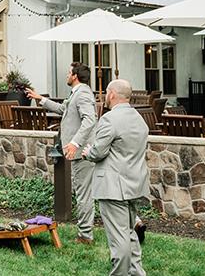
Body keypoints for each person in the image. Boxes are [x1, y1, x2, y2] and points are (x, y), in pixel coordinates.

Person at [83, 79, 150, 276]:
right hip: (134, 185)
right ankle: (137, 273)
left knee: (118, 239)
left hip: (113, 187)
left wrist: (88, 152)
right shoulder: (139, 118)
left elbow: (98, 152)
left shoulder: (110, 119)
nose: (104, 96)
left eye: (105, 92)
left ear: (112, 94)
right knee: (129, 233)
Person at [26, 62, 96, 244]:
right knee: (91, 192)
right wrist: (39, 98)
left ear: (75, 76)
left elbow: (90, 120)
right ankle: (134, 222)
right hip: (80, 152)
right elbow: (63, 110)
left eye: (68, 72)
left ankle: (85, 236)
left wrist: (75, 142)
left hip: (83, 153)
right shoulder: (77, 94)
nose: (66, 75)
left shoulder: (83, 94)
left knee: (84, 194)